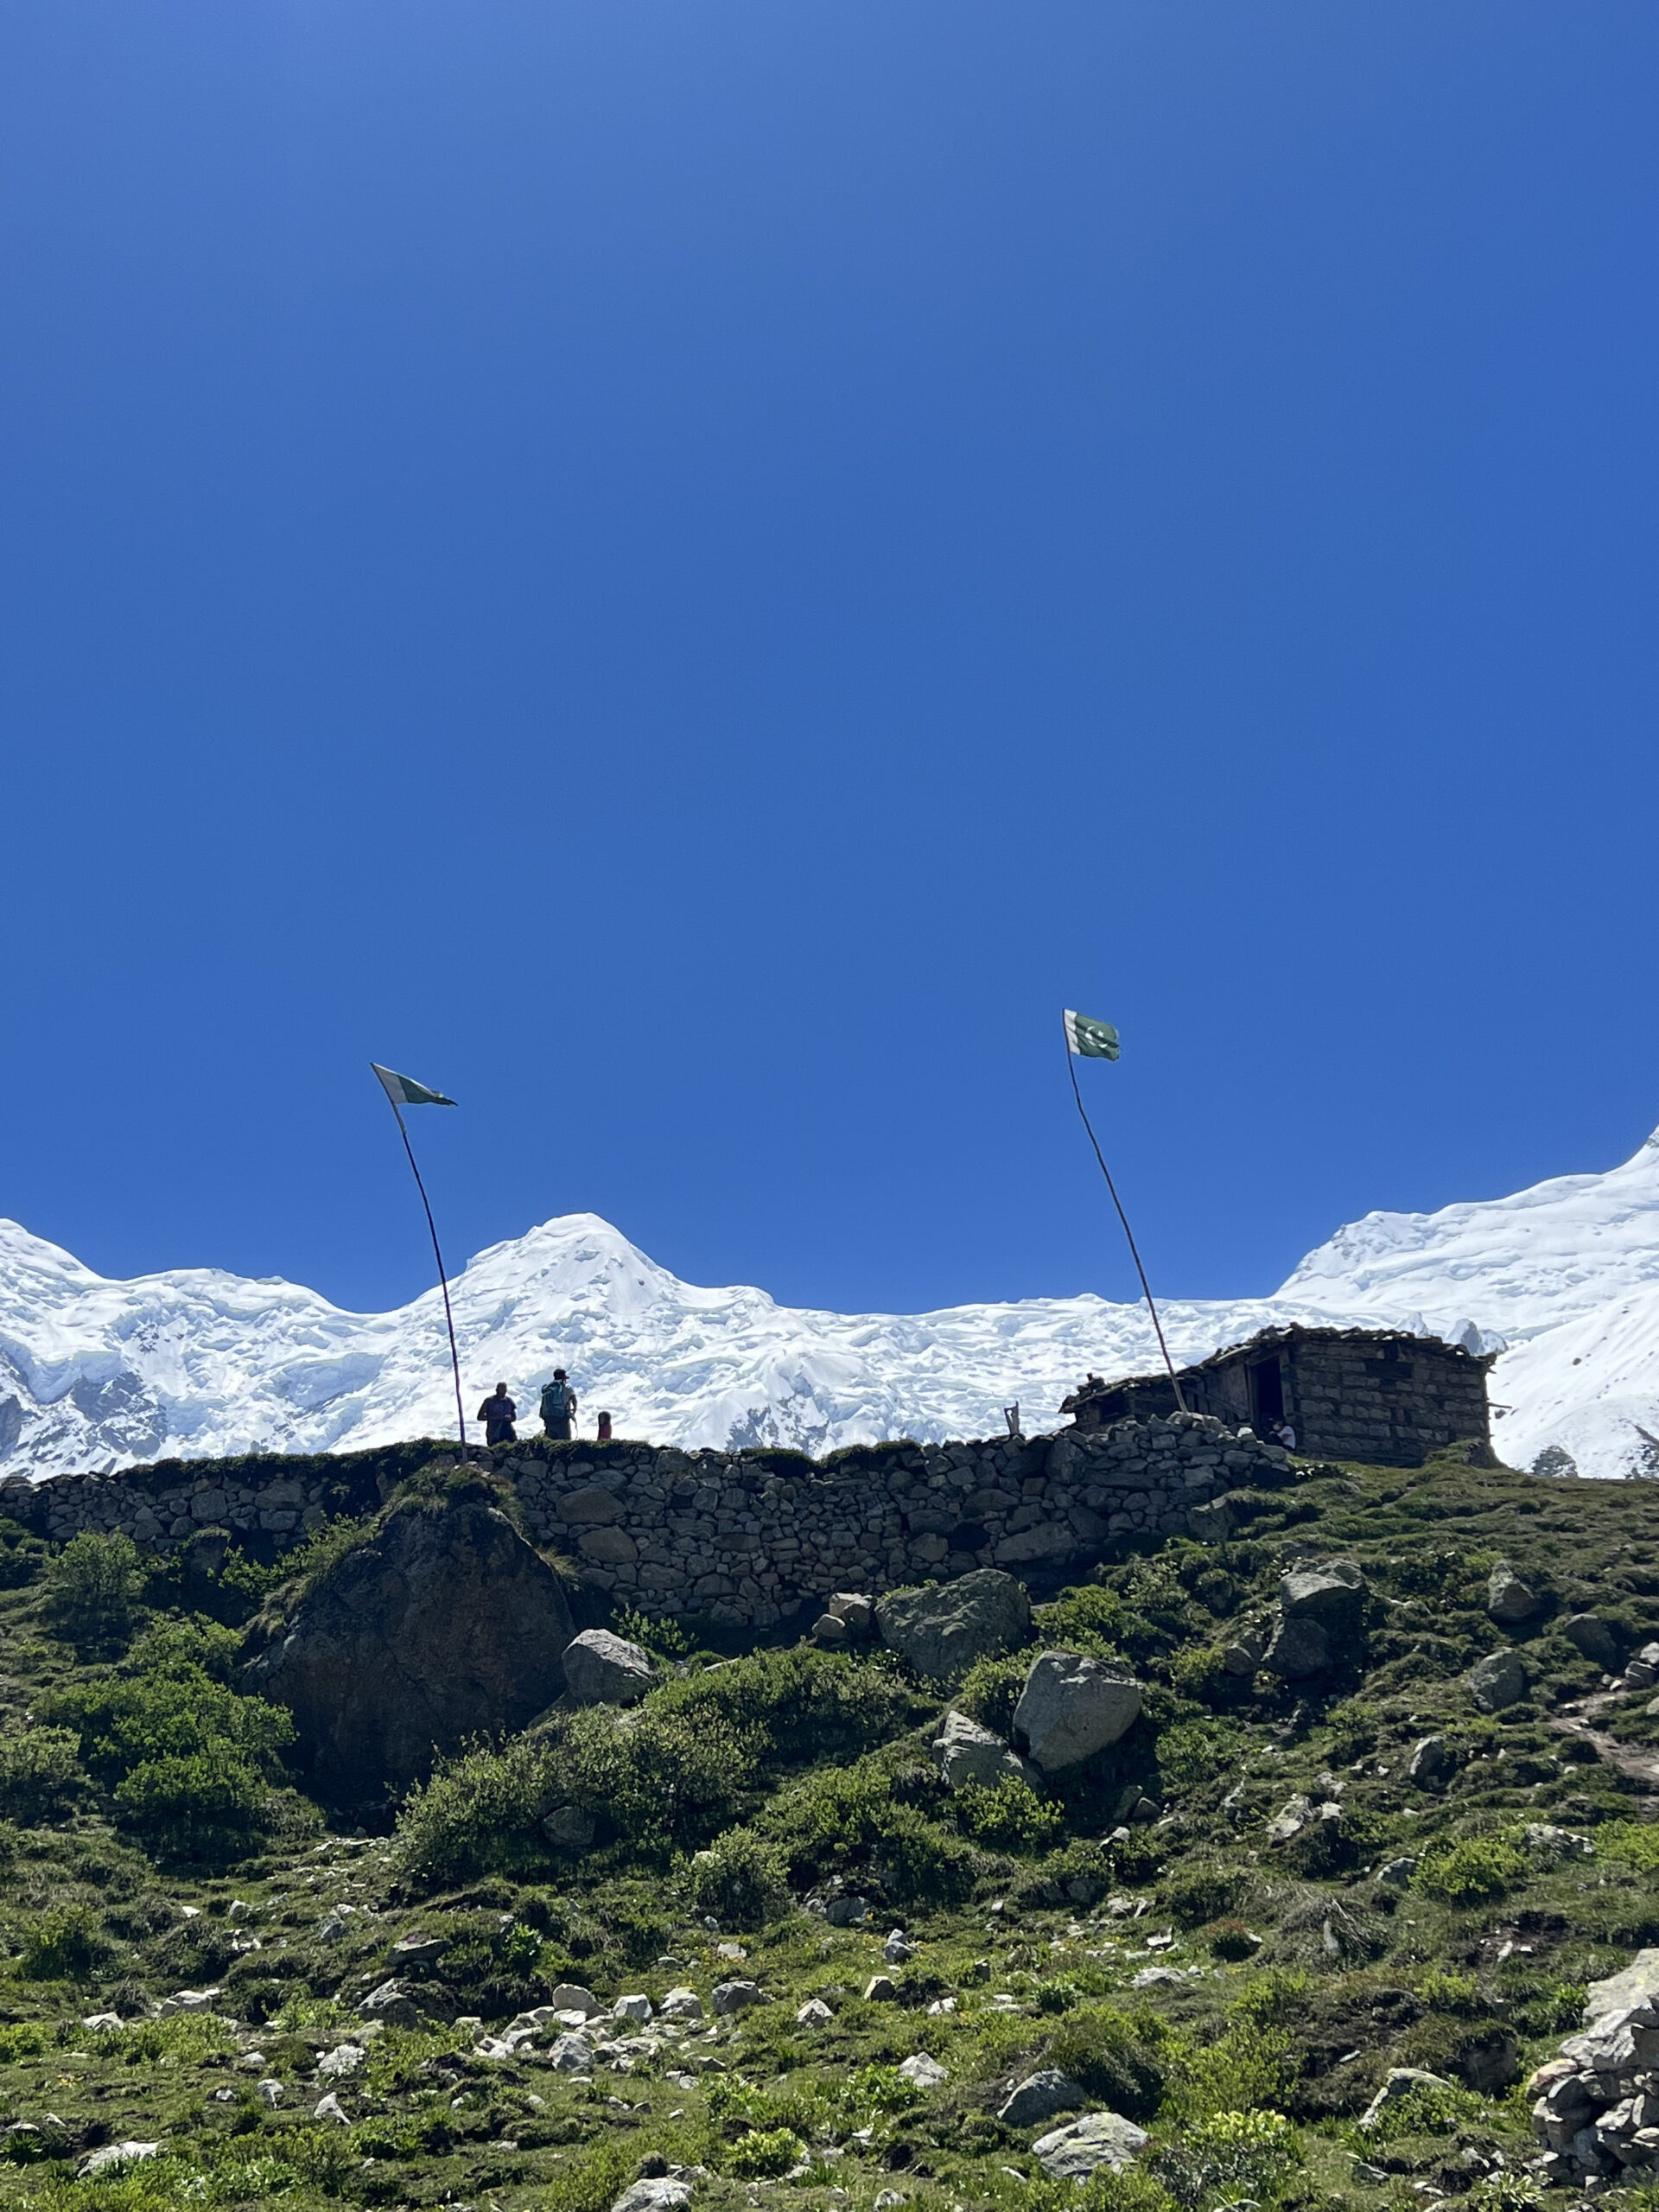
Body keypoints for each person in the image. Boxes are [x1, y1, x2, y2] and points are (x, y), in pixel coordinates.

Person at [540, 1369, 577, 1441]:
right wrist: (574, 1410)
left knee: (551, 1442)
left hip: (549, 1420)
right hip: (562, 1420)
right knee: (565, 1442)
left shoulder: (548, 1389)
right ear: (563, 1378)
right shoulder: (567, 1388)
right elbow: (573, 1399)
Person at [477, 1382, 517, 1447]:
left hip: (508, 1432)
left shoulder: (509, 1401)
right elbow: (480, 1417)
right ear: (496, 1390)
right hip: (494, 1432)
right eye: (500, 1390)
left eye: (504, 1390)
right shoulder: (489, 1401)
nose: (502, 1392)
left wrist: (509, 1418)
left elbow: (514, 1417)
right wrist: (495, 1417)